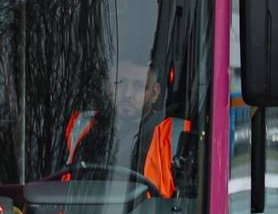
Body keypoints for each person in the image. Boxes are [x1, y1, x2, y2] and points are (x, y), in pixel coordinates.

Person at [61, 58, 193, 199]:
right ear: (108, 87)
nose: (128, 94)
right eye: (120, 83)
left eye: (138, 87)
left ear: (155, 93)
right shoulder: (79, 126)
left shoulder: (176, 134)